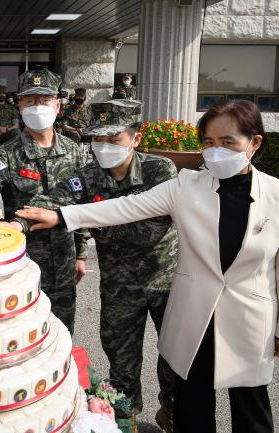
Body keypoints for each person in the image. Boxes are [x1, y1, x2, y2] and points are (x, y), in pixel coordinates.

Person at [16, 100, 279, 433]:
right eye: (208, 143)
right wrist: (61, 215)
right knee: (192, 403)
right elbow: (125, 207)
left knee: (250, 405)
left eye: (228, 142)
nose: (216, 151)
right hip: (194, 313)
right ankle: (138, 417)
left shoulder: (275, 194)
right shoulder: (186, 186)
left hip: (247, 317)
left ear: (253, 143)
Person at [11, 99, 178, 433]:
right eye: (97, 140)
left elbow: (145, 217)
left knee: (175, 357)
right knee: (122, 359)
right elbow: (52, 201)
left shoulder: (160, 170)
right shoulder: (87, 177)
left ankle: (172, 412)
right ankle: (125, 419)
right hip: (118, 284)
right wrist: (19, 226)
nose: (103, 147)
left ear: (136, 138)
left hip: (165, 279)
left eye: (113, 139)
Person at [0, 69, 89, 335]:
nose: (38, 106)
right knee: (19, 333)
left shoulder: (74, 151)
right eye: (30, 100)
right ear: (19, 105)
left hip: (64, 257)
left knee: (61, 332)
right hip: (21, 263)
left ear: (58, 105)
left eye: (45, 99)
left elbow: (82, 206)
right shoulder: (5, 153)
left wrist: (81, 252)